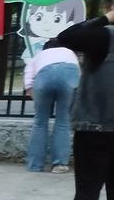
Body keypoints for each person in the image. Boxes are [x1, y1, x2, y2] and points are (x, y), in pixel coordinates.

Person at [47, 0, 114, 200]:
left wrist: (105, 20)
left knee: (87, 189)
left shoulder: (101, 37)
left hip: (95, 126)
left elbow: (65, 36)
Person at [23, 42, 80, 174]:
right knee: (63, 122)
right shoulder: (70, 53)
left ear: (46, 48)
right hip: (69, 75)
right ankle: (59, 164)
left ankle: (35, 165)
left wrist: (31, 91)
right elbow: (78, 74)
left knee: (40, 122)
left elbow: (28, 75)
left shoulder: (39, 55)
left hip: (44, 76)